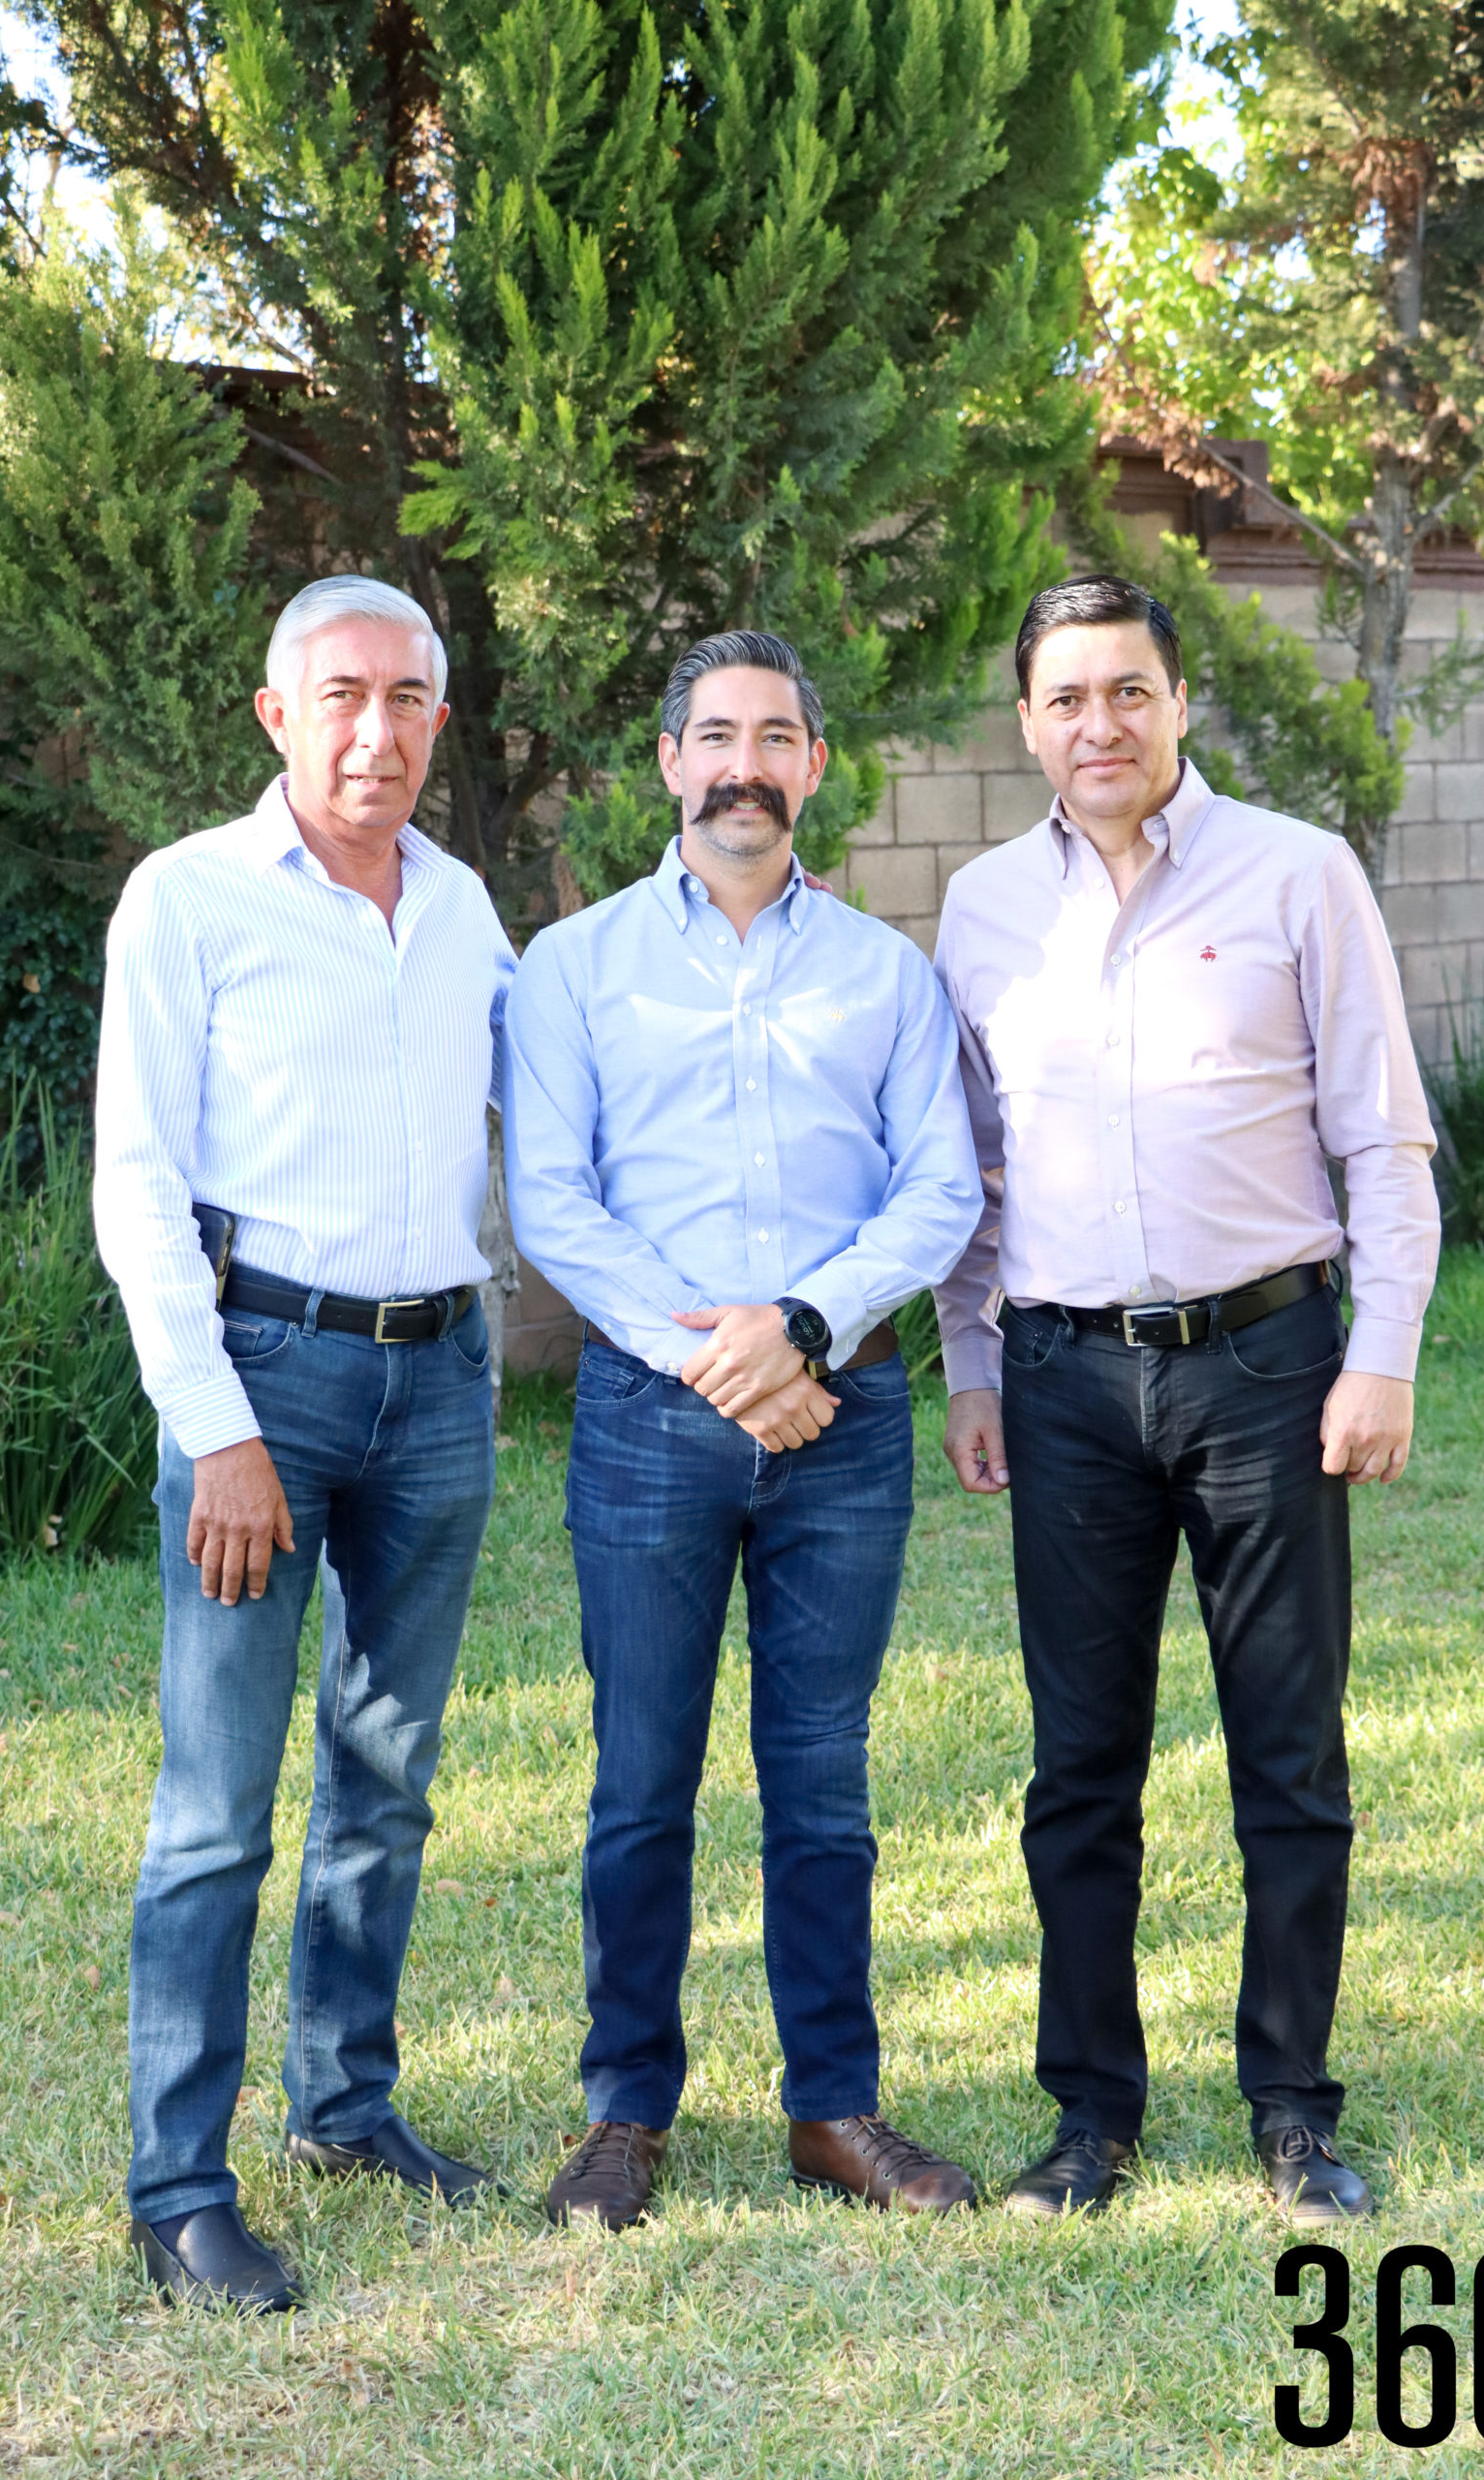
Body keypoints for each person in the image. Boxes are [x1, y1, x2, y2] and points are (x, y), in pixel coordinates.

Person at [934, 575, 1439, 2226]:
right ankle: (1089, 2117)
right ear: (1027, 722)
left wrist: (1383, 1353)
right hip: (1067, 1377)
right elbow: (975, 1171)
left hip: (1269, 1370)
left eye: (1129, 692)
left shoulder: (1300, 873)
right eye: (1067, 698)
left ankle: (1292, 2106)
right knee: (1081, 1771)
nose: (1100, 725)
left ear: (1176, 702)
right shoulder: (984, 906)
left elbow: (1385, 1141)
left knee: (1288, 1761)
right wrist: (973, 1363)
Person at [503, 630, 983, 2229]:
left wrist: (804, 1329)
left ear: (814, 769)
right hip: (652, 1421)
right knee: (641, 1780)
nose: (744, 765)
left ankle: (833, 2111)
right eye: (716, 735)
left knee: (821, 1784)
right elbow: (551, 1201)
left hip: (841, 1421)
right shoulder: (572, 968)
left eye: (776, 737)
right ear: (668, 762)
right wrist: (716, 1357)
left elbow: (941, 1189)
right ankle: (626, 2113)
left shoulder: (887, 974)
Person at [94, 576, 517, 2310]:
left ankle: (347, 2107)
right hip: (265, 1374)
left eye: (409, 698)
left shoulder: (468, 904)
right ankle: (178, 2182)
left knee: (386, 1778)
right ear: (278, 714)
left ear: (437, 718)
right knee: (215, 1808)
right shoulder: (188, 899)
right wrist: (223, 1431)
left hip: (444, 1380)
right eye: (343, 694)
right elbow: (135, 1185)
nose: (378, 729)